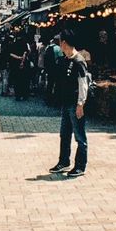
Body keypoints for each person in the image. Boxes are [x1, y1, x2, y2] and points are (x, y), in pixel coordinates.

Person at [49, 29, 89, 178]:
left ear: (64, 43)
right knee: (64, 134)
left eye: (60, 42)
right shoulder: (65, 59)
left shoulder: (79, 61)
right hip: (66, 103)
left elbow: (83, 83)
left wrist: (81, 104)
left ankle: (80, 166)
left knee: (79, 136)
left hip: (75, 103)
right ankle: (64, 161)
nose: (59, 45)